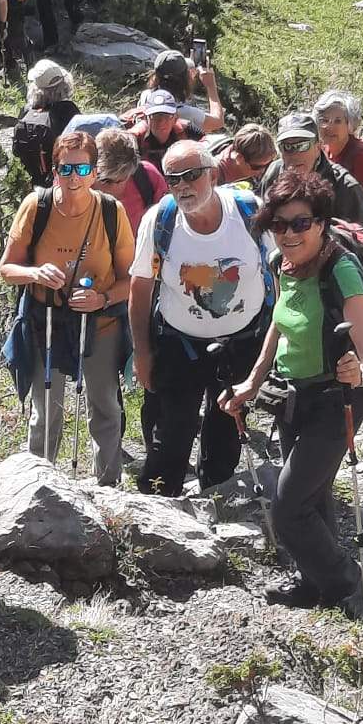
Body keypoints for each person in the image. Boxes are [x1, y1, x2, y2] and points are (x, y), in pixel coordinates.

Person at [224, 171, 363, 612]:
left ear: (322, 222)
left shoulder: (343, 270)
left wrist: (360, 371)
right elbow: (279, 323)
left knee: (288, 507)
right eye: (279, 225)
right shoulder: (282, 265)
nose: (289, 233)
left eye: (301, 223)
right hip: (295, 395)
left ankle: (344, 579)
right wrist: (252, 382)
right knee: (312, 497)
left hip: (338, 400)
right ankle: (314, 582)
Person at [128, 139, 271, 496]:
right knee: (171, 430)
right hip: (179, 344)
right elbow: (141, 287)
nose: (182, 186)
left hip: (241, 341)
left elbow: (283, 273)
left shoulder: (250, 212)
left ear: (213, 174)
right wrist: (142, 353)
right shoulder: (160, 221)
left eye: (191, 175)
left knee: (227, 427)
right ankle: (159, 508)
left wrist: (278, 342)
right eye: (172, 178)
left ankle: (219, 501)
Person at [0, 128, 136, 483]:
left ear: (94, 171)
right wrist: (35, 273)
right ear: (54, 169)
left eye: (81, 169)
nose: (73, 178)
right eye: (65, 169)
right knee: (46, 413)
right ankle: (38, 487)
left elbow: (131, 280)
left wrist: (102, 299)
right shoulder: (37, 206)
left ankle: (108, 489)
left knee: (105, 408)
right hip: (46, 322)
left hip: (100, 324)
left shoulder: (111, 211)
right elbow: (7, 269)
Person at [261, 111, 363, 225]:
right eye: (287, 147)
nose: (295, 154)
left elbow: (360, 238)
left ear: (318, 148)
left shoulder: (344, 187)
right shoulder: (273, 175)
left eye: (303, 146)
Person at [313, 91, 363, 218]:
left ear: (350, 125)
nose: (329, 127)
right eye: (324, 120)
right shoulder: (322, 151)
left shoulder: (362, 157)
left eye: (338, 121)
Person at [10, 61, 80, 185]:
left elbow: (16, 151)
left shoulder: (27, 111)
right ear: (64, 85)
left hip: (30, 179)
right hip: (61, 179)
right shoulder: (69, 110)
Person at [130, 48, 225, 137]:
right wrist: (211, 85)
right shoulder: (185, 113)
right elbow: (218, 122)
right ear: (186, 78)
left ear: (155, 75)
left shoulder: (146, 96)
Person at [94, 125, 167, 233]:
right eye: (106, 181)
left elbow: (167, 220)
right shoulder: (76, 181)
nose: (115, 188)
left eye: (122, 179)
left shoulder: (148, 177)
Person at [130, 88, 202, 171]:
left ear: (175, 118)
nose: (161, 122)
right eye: (155, 116)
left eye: (167, 116)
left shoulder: (188, 130)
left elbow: (207, 148)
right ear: (146, 119)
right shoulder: (135, 138)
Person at [211, 123, 277, 190]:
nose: (263, 171)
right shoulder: (213, 176)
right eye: (257, 167)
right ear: (239, 158)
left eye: (269, 164)